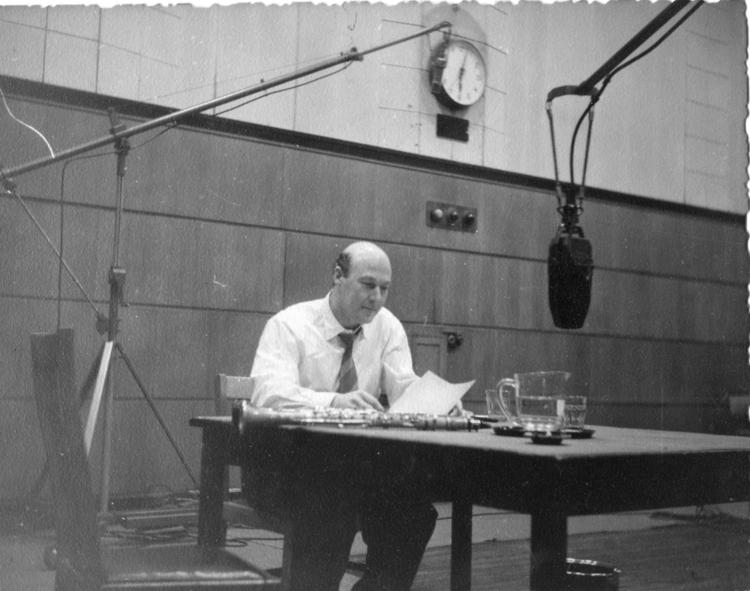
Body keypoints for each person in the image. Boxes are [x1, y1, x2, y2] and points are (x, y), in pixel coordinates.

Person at [247, 241, 437, 591]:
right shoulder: (289, 325)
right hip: (286, 469)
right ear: (338, 275)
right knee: (332, 508)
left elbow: (403, 385)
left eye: (385, 289)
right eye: (368, 285)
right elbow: (269, 393)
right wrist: (333, 402)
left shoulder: (387, 326)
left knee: (414, 512)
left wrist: (436, 401)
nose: (377, 298)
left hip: (352, 471)